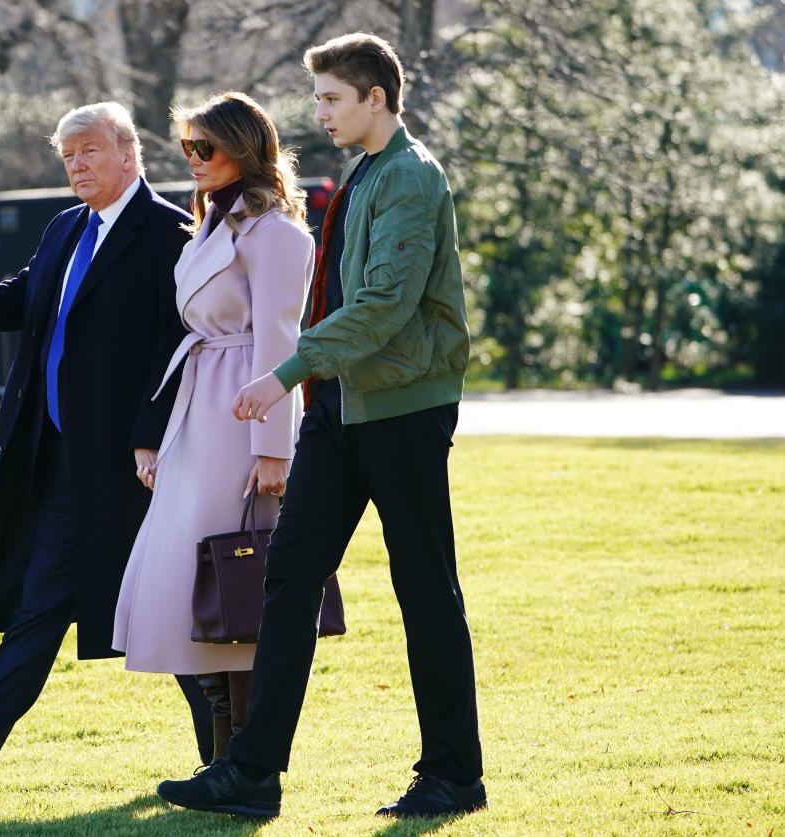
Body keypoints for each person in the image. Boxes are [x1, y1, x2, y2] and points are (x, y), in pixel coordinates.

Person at [156, 33, 486, 820]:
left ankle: (453, 775)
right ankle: (253, 772)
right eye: (318, 99)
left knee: (426, 591)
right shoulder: (367, 173)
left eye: (333, 98)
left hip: (402, 411)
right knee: (287, 576)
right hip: (341, 409)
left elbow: (382, 307)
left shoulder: (410, 177)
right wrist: (312, 383)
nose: (320, 112)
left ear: (377, 98)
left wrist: (283, 373)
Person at [0, 101, 213, 800]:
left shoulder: (171, 233)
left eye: (89, 151)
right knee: (41, 602)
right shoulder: (66, 227)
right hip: (63, 462)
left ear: (129, 153)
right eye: (67, 158)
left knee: (168, 607)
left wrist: (148, 436)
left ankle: (232, 757)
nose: (77, 166)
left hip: (137, 466)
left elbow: (176, 344)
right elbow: (22, 298)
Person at [111, 92, 314, 762]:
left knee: (236, 583)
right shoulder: (210, 226)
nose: (193, 160)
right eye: (187, 148)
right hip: (200, 410)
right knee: (187, 584)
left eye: (206, 147)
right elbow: (189, 330)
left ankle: (243, 762)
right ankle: (222, 757)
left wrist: (274, 452)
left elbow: (282, 343)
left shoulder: (276, 232)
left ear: (244, 148)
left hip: (243, 416)